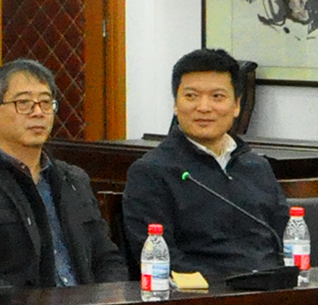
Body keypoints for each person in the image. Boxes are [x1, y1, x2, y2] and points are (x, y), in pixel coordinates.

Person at [0, 59, 128, 292]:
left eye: (46, 103)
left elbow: (108, 259)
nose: (38, 112)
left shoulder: (73, 180)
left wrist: (108, 300)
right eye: (24, 103)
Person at [122, 48, 287, 280]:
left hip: (272, 289)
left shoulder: (256, 166)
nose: (204, 107)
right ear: (175, 104)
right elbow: (162, 258)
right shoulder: (151, 172)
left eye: (217, 97)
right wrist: (228, 284)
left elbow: (286, 238)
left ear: (236, 105)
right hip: (203, 294)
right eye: (191, 96)